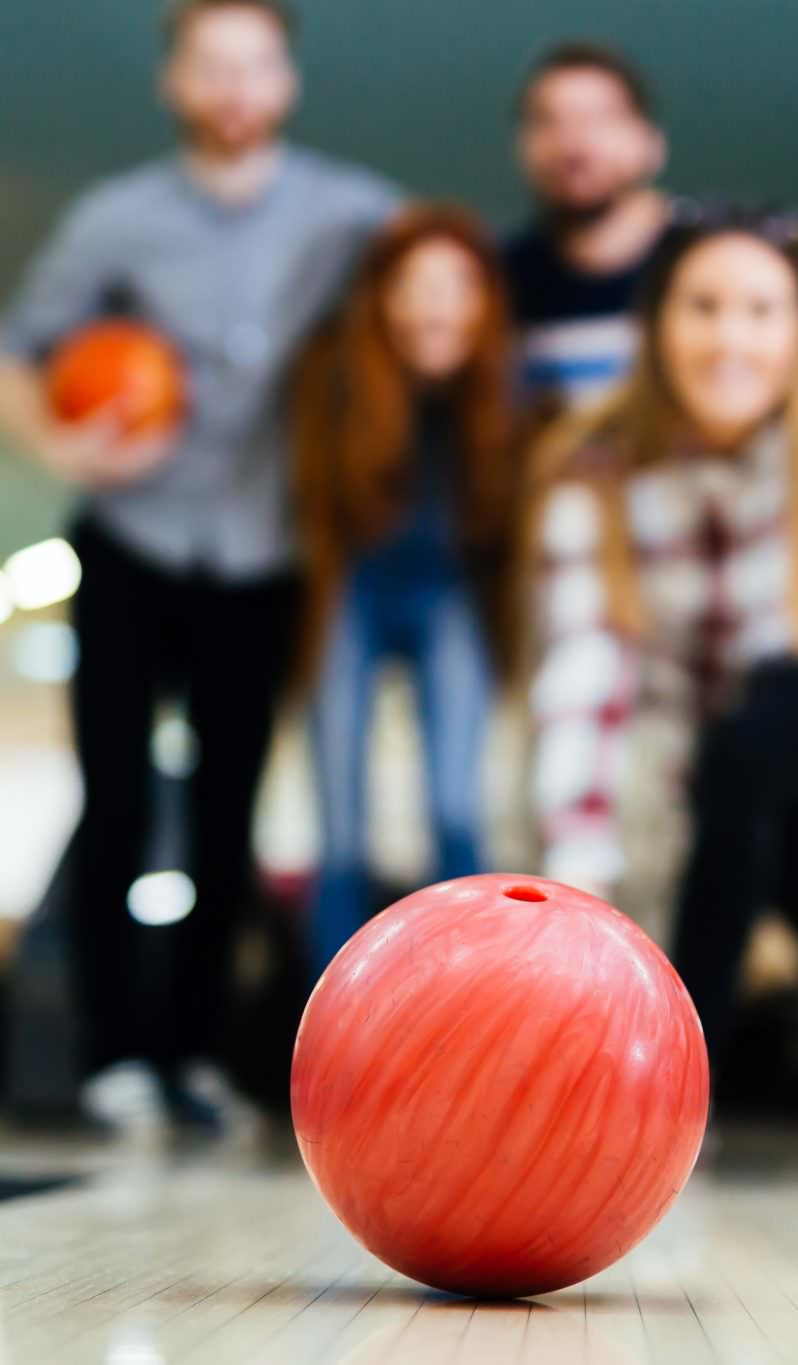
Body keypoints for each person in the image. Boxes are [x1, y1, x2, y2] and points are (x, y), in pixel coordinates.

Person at [0, 0, 399, 1137]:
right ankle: (113, 1056)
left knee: (229, 815)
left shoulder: (351, 210)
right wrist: (60, 443)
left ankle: (193, 1061)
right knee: (113, 802)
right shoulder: (114, 219)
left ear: (285, 83)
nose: (231, 89)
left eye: (252, 67)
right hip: (129, 542)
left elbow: (438, 283)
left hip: (264, 553)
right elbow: (14, 358)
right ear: (175, 82)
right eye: (208, 67)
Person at [524, 202, 798, 1135]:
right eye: (704, 307)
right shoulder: (590, 468)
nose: (732, 337)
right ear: (655, 327)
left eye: (762, 311)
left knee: (739, 766)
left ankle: (686, 1079)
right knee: (771, 827)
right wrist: (576, 868)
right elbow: (582, 670)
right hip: (721, 704)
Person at [291, 206, 519, 972]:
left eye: (456, 286)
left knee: (457, 808)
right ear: (382, 297)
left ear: (484, 300)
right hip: (352, 592)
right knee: (340, 825)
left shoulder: (501, 392)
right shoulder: (336, 377)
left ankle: (463, 998)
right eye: (415, 285)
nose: (435, 306)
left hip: (447, 596)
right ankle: (335, 1022)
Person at [504, 42, 672, 414]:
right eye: (548, 121)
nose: (573, 145)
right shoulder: (499, 281)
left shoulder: (711, 261)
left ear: (651, 143)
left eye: (598, 120)